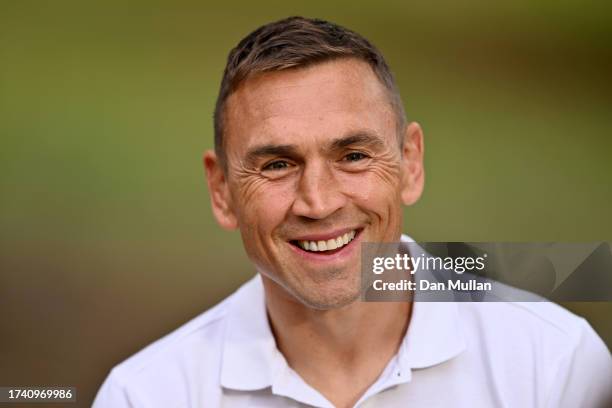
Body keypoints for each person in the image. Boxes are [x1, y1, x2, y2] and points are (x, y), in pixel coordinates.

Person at [93, 16, 612, 407]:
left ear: (410, 163)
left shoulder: (555, 365)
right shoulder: (146, 395)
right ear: (221, 189)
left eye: (354, 156)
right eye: (276, 164)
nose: (318, 202)